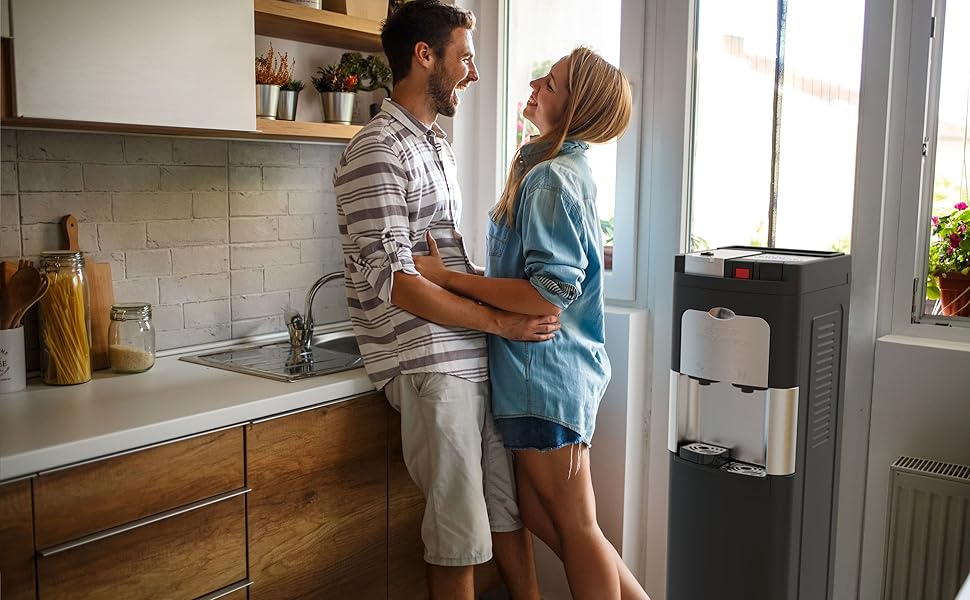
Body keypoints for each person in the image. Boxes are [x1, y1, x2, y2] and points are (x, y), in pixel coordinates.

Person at [332, 2, 554, 599]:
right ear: (423, 55)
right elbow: (401, 284)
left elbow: (446, 265)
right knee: (459, 535)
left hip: (473, 354)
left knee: (506, 514)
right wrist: (502, 322)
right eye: (465, 56)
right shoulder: (376, 150)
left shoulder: (435, 146)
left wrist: (511, 306)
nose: (473, 73)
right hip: (429, 366)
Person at [414, 47, 650, 600]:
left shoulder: (550, 179)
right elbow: (524, 275)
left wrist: (448, 280)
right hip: (533, 381)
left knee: (576, 527)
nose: (538, 83)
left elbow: (546, 294)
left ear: (574, 107)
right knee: (553, 524)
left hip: (545, 380)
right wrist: (460, 274)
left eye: (554, 81)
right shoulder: (551, 169)